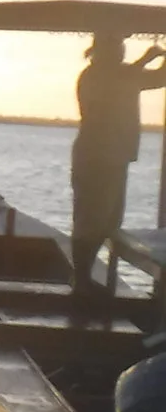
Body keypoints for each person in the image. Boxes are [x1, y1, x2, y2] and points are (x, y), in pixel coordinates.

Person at [70, 32, 166, 291]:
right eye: (116, 47)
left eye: (122, 47)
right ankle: (81, 280)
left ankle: (84, 280)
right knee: (90, 219)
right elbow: (118, 81)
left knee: (110, 220)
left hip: (116, 157)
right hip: (94, 157)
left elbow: (158, 79)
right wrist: (146, 58)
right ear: (100, 51)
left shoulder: (126, 74)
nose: (121, 52)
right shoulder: (94, 76)